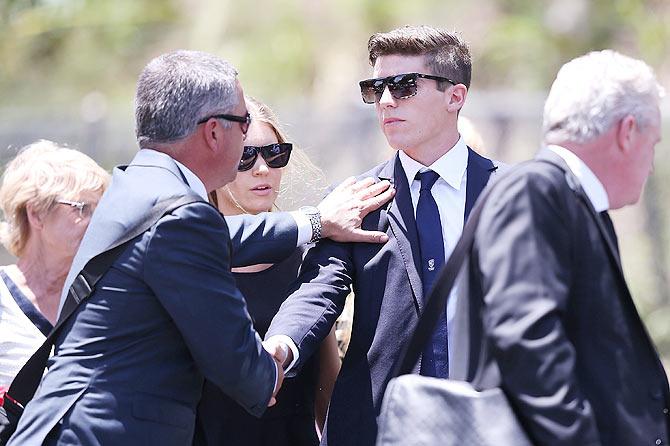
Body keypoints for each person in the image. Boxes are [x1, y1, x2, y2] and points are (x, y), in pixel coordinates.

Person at [7, 50, 393, 446]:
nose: (251, 142)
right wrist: (275, 359)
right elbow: (243, 369)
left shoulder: (137, 186)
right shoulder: (183, 218)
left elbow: (225, 237)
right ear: (213, 132)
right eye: (244, 125)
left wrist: (315, 220)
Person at [265, 25, 502, 445]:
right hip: (381, 430)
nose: (387, 101)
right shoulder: (356, 201)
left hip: (491, 425)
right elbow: (317, 291)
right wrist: (280, 347)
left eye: (405, 85)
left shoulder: (511, 195)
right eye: (377, 88)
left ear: (456, 96)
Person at [450, 50, 669, 445]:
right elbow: (528, 338)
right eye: (652, 145)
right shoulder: (536, 190)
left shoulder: (569, 198)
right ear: (627, 132)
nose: (651, 165)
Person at [193, 96, 340, 445]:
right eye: (245, 157)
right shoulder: (190, 256)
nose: (262, 169)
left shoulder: (305, 254)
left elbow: (326, 380)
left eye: (275, 154)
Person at [0, 140, 109, 393]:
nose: (97, 222)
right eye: (83, 208)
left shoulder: (105, 295)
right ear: (36, 214)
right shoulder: (4, 298)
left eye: (101, 210)